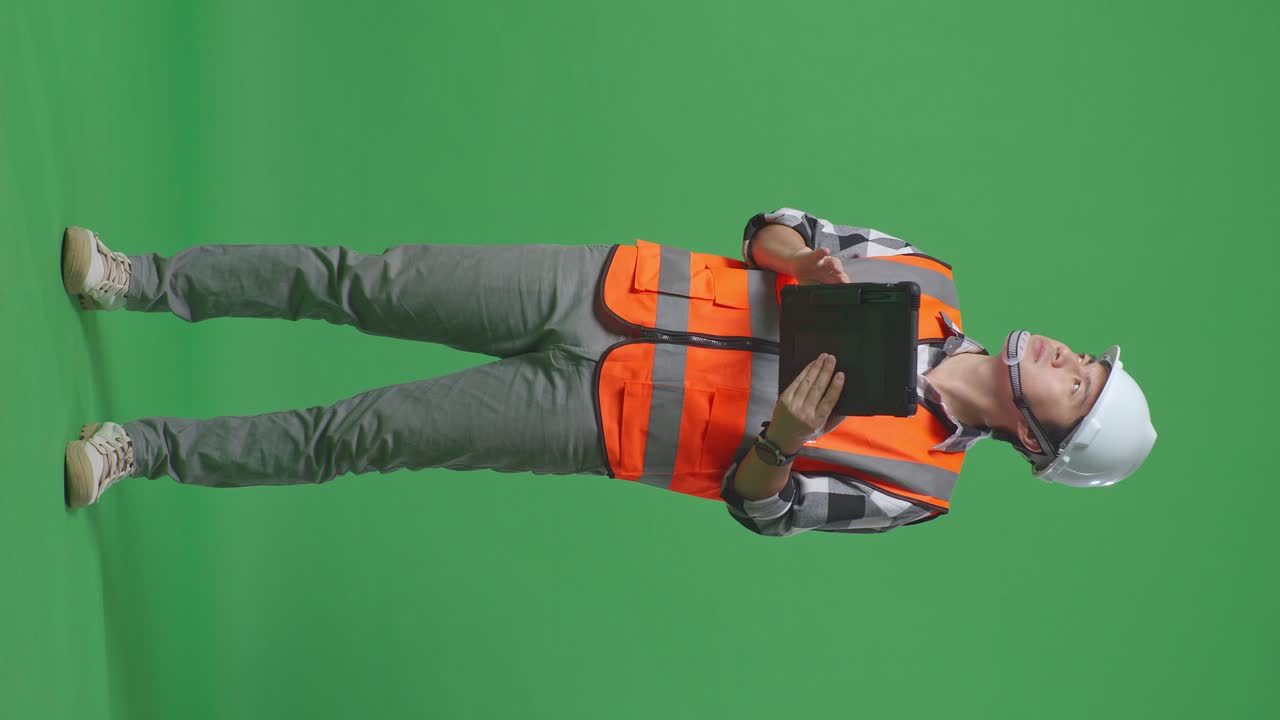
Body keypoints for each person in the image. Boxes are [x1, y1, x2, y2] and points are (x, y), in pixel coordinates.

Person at [61, 208, 1157, 536]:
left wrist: (780, 443)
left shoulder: (917, 488)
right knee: (364, 280)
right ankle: (136, 278)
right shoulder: (928, 278)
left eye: (1079, 388)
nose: (1070, 359)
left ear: (1039, 441)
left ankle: (140, 453)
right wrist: (797, 261)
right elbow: (771, 224)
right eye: (1086, 361)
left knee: (363, 434)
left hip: (590, 419)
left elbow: (763, 510)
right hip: (600, 287)